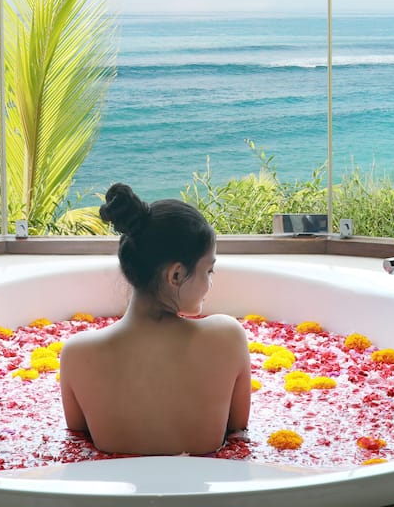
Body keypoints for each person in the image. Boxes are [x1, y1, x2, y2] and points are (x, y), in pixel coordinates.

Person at [60, 183, 251, 455]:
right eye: (209, 270)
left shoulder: (78, 354)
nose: (210, 283)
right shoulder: (227, 338)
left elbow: (78, 438)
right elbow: (238, 429)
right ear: (176, 275)